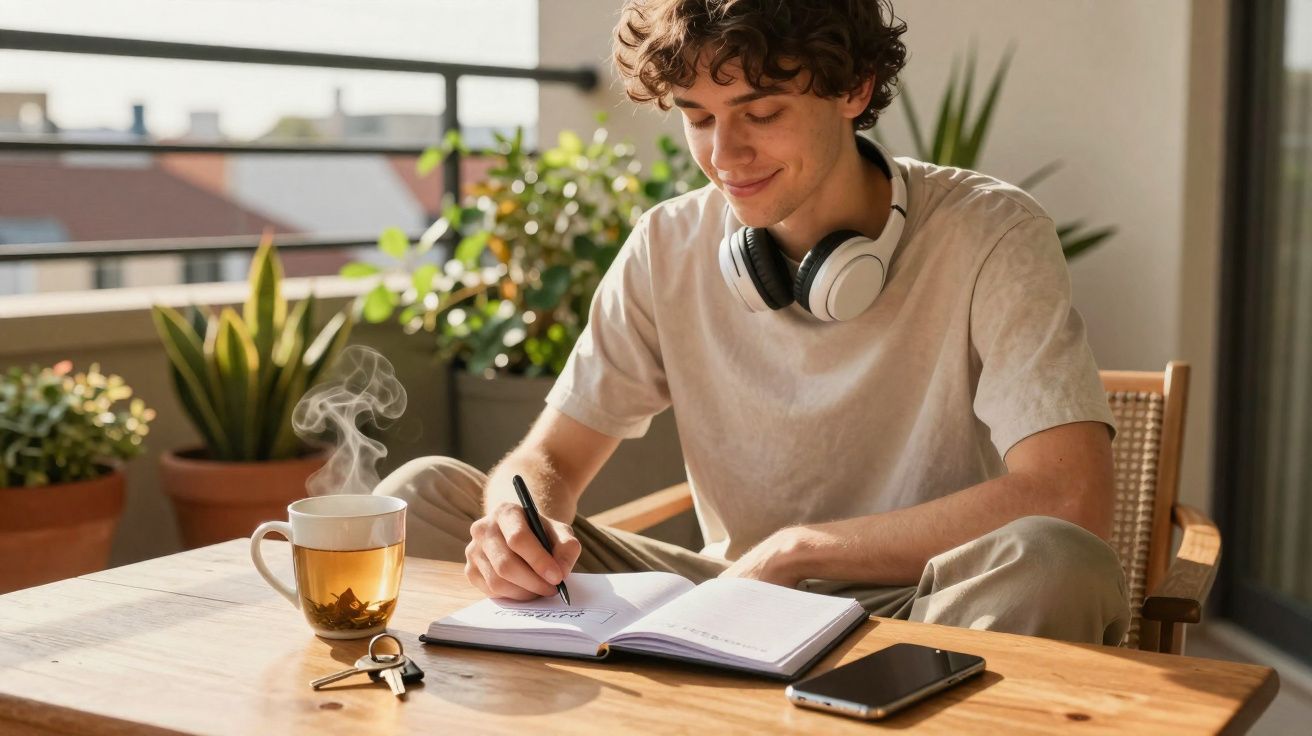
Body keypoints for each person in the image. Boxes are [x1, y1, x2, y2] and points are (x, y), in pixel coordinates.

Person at [375, 0, 1131, 646]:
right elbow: (550, 460)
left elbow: (1069, 497)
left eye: (760, 112)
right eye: (697, 117)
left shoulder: (990, 231)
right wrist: (517, 515)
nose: (723, 155)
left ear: (853, 88)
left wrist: (797, 551)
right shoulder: (667, 243)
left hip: (925, 605)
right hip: (729, 598)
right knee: (424, 496)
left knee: (1056, 560)